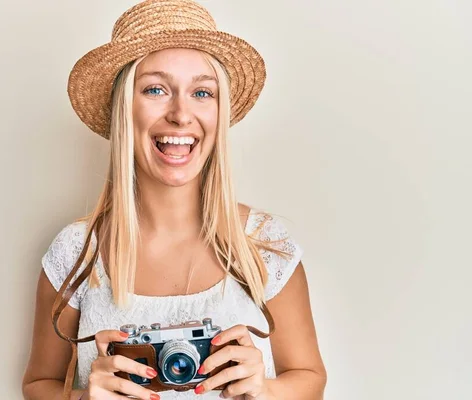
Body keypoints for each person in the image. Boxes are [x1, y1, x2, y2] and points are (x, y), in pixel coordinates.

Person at [22, 1, 326, 399]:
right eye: (155, 89)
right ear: (123, 110)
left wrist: (266, 391)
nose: (181, 114)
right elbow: (36, 385)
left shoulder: (264, 245)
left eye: (202, 92)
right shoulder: (76, 253)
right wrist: (82, 397)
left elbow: (310, 379)